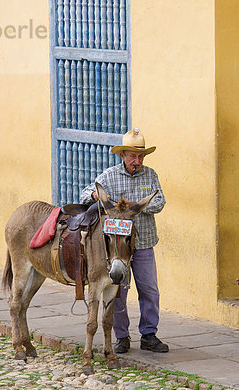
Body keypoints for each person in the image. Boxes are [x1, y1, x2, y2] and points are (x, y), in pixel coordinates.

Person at [80, 128, 168, 353]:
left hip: (144, 242)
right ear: (122, 156)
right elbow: (86, 193)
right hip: (116, 248)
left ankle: (149, 334)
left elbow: (159, 202)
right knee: (118, 292)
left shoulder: (151, 175)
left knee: (149, 290)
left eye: (140, 156)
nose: (136, 161)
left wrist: (136, 207)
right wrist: (96, 196)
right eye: (132, 156)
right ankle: (121, 337)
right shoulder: (109, 175)